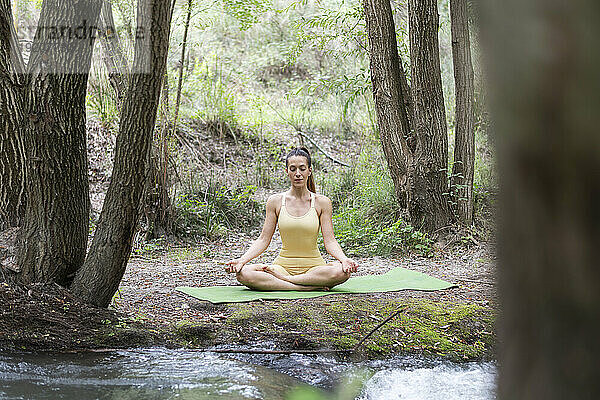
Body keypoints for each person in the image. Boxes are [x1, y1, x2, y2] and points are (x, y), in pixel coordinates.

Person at [225, 147, 359, 290]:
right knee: (243, 274)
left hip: (314, 269)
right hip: (282, 267)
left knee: (342, 272)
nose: (298, 174)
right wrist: (241, 260)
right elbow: (263, 239)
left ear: (309, 171)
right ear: (287, 171)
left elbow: (330, 240)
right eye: (293, 169)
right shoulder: (275, 201)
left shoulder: (322, 202)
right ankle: (305, 287)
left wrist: (344, 260)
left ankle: (287, 281)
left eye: (302, 168)